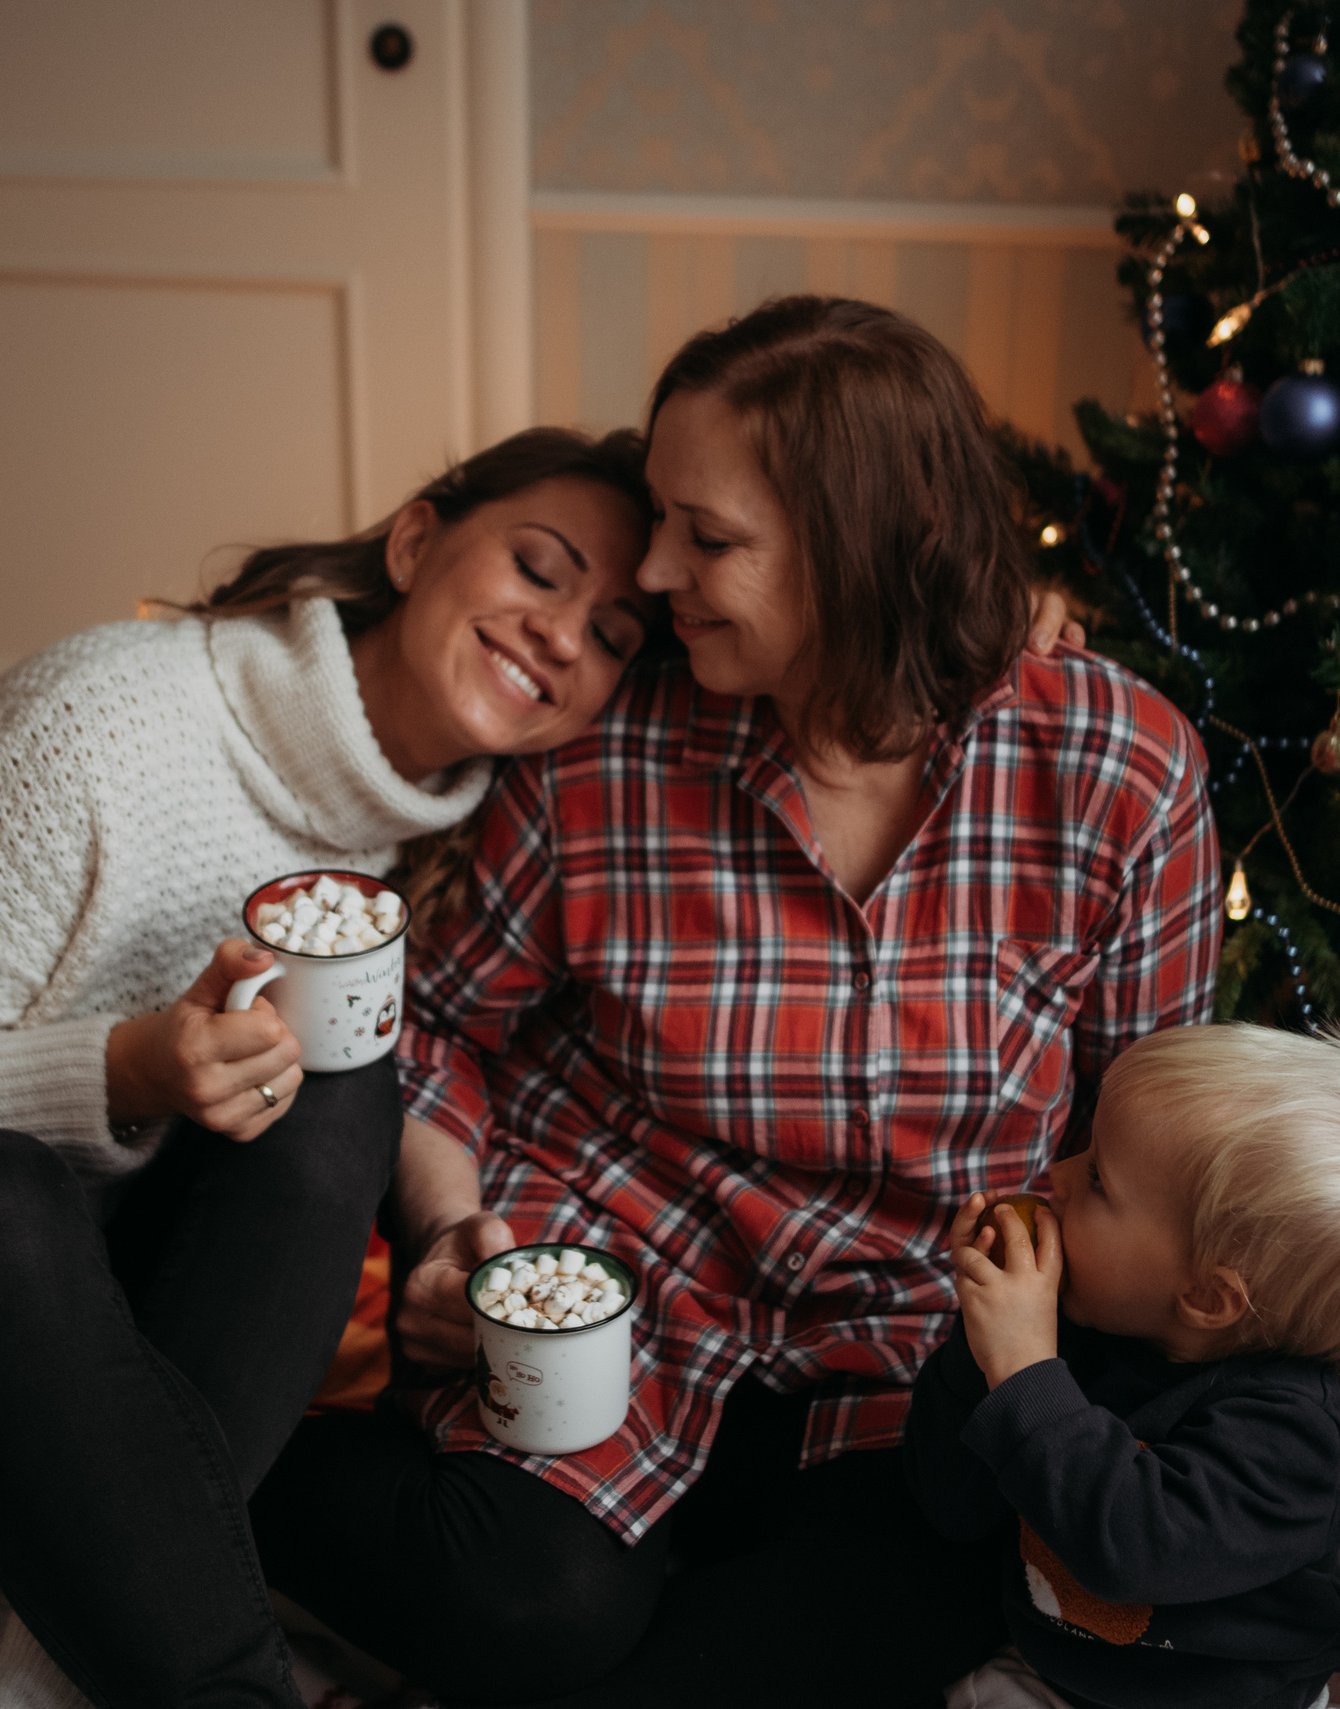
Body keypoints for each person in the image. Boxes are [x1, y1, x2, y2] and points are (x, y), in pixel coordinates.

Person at [249, 296, 1224, 1708]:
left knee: (883, 1615)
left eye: (707, 539)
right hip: (614, 1278)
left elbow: (1158, 1128)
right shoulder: (619, 733)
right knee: (528, 1611)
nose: (652, 570)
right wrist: (452, 1226)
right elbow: (444, 1017)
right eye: (661, 518)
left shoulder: (1114, 767)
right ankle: (162, 1462)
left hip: (909, 1343)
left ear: (863, 548)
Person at [0, 427, 656, 1709]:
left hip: (113, 1308)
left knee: (343, 1073)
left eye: (613, 632)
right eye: (540, 569)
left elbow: (417, 1092)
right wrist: (122, 1070)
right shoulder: (101, 721)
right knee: (3, 1188)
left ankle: (41, 1604)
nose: (564, 635)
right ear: (416, 540)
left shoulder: (479, 825)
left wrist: (448, 1227)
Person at [905, 1023, 1340, 1709]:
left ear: (1204, 1296)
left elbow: (1128, 1548)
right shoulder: (1084, 1330)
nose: (1056, 1174)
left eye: (1100, 1179)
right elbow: (951, 1505)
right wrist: (983, 1351)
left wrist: (1023, 1369)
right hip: (1055, 1662)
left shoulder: (1288, 1441)